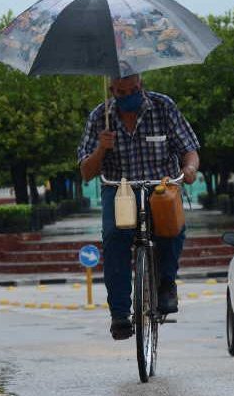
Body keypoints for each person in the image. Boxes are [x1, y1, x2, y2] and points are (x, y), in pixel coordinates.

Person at [78, 74, 200, 340]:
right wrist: (101, 148)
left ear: (141, 85)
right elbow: (86, 172)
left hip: (161, 186)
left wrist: (189, 168)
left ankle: (167, 284)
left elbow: (189, 149)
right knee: (115, 237)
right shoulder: (100, 116)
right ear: (112, 90)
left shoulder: (163, 106)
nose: (130, 95)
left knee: (172, 230)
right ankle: (120, 314)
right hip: (119, 189)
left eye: (135, 89)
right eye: (123, 92)